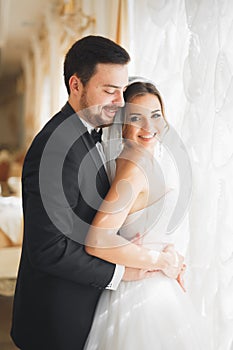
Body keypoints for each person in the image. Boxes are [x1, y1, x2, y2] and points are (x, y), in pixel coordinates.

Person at [10, 36, 161, 350]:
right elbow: (48, 249)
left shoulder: (91, 133)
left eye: (122, 90)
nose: (120, 102)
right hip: (57, 317)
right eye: (109, 90)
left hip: (82, 309)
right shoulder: (56, 149)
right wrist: (123, 272)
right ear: (75, 85)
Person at [84, 80, 210, 349]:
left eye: (155, 115)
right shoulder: (135, 165)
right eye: (136, 118)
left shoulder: (145, 159)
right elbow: (97, 239)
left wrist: (171, 256)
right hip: (142, 293)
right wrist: (160, 260)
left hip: (156, 284)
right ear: (122, 124)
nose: (149, 127)